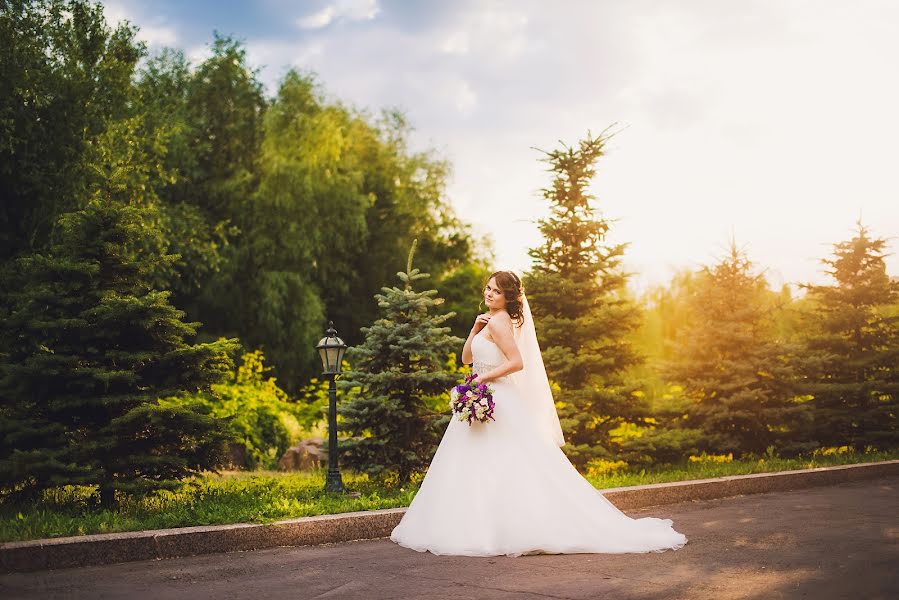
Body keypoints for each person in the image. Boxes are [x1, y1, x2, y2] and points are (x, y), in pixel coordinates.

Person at [389, 270, 688, 557]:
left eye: (497, 291)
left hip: (496, 397)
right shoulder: (488, 321)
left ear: (508, 298)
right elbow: (467, 357)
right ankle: (481, 525)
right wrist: (473, 330)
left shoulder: (500, 322)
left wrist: (483, 379)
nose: (490, 294)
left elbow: (517, 362)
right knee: (476, 462)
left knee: (506, 462)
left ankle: (507, 527)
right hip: (481, 395)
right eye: (488, 289)